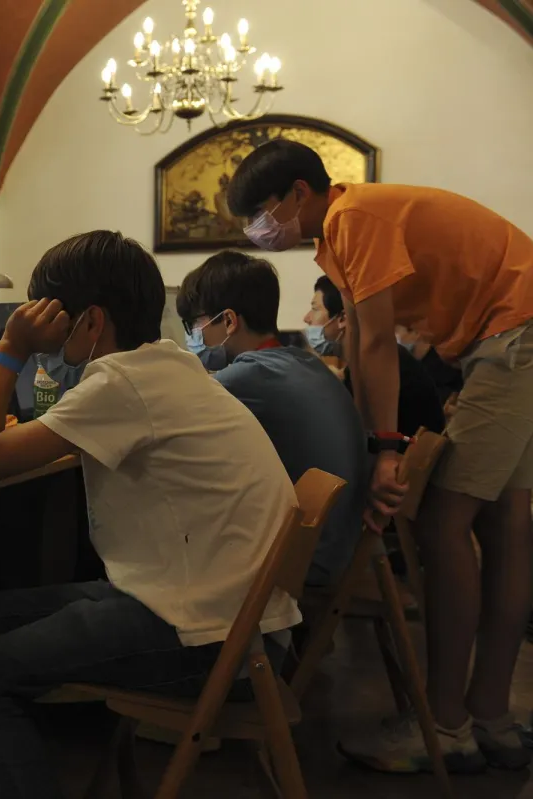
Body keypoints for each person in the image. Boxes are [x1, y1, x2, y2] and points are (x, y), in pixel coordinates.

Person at [0, 230, 301, 799]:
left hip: (212, 644)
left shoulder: (119, 382)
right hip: (240, 625)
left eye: (53, 317)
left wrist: (11, 347)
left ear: (90, 320)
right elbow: (9, 444)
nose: (46, 333)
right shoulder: (165, 365)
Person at [228, 139, 533, 773]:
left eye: (260, 212)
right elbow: (366, 340)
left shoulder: (351, 218)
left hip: (513, 332)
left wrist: (387, 448)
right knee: (506, 524)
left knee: (444, 524)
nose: (257, 228)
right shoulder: (340, 233)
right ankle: (490, 718)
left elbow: (372, 348)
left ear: (299, 193)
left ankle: (445, 726)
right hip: (515, 327)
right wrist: (377, 443)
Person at [177, 251, 368, 587]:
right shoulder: (303, 363)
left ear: (229, 321)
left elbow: (172, 421)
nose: (192, 336)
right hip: (337, 547)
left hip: (300, 563)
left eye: (194, 324)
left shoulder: (248, 376)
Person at [306, 275, 445, 436]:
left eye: (315, 309)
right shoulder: (369, 361)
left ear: (342, 318)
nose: (307, 318)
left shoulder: (375, 364)